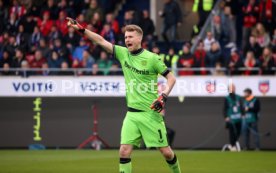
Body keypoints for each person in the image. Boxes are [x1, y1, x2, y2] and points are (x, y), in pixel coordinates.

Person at [66, 17, 181, 173]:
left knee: (166, 152)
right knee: (124, 151)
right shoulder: (123, 53)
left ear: (139, 38)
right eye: (126, 37)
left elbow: (171, 78)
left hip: (150, 114)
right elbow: (100, 41)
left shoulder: (152, 58)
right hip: (132, 115)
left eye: (130, 37)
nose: (127, 39)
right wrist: (81, 29)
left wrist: (163, 96)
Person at [223, 84, 244, 151]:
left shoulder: (238, 97)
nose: (233, 89)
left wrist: (243, 114)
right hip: (231, 118)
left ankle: (233, 144)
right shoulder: (227, 98)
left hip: (238, 118)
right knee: (232, 132)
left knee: (239, 132)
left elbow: (241, 106)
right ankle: (232, 145)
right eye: (231, 88)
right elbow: (225, 108)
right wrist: (226, 117)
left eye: (234, 87)